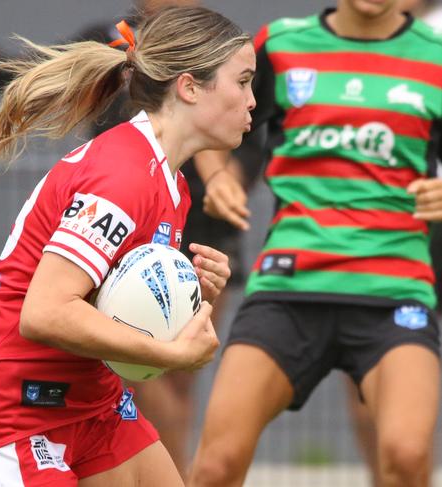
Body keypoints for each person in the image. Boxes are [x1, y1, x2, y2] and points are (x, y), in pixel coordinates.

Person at [0, 6, 255, 486]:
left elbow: (117, 313)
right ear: (190, 87)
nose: (253, 101)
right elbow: (46, 313)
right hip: (18, 411)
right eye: (243, 82)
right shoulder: (124, 176)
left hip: (94, 402)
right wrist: (171, 356)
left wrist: (190, 294)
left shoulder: (171, 183)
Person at [189, 1, 442, 486]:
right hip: (289, 284)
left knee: (408, 457)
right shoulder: (281, 44)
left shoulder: (433, 55)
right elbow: (211, 115)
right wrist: (218, 175)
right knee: (216, 464)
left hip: (394, 290)